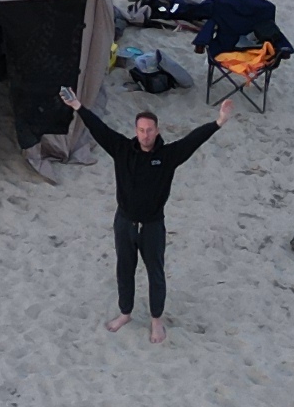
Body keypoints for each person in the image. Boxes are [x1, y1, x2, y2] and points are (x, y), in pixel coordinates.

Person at [61, 82, 236, 342]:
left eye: (149, 130)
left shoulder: (167, 156)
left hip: (153, 225)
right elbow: (99, 129)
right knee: (124, 268)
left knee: (155, 271)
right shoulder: (122, 150)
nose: (145, 135)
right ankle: (125, 312)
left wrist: (218, 122)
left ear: (156, 131)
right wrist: (77, 106)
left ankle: (156, 319)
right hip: (124, 222)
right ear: (136, 131)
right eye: (141, 130)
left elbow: (192, 140)